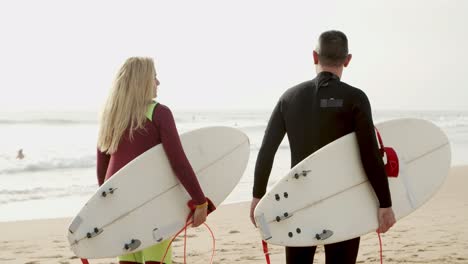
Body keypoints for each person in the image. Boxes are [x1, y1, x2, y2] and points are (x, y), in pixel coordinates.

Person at [249, 30, 396, 264]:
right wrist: (385, 203)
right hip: (342, 201)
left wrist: (258, 197)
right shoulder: (355, 98)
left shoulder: (289, 97)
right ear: (347, 60)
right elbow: (369, 155)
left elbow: (267, 150)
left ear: (314, 56)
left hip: (298, 201)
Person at [96, 57, 208, 264]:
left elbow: (102, 170)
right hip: (151, 201)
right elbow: (178, 162)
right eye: (154, 77)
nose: (158, 83)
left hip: (119, 203)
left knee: (130, 260)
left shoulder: (110, 116)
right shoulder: (159, 113)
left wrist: (103, 205)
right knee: (156, 260)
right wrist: (200, 201)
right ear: (142, 81)